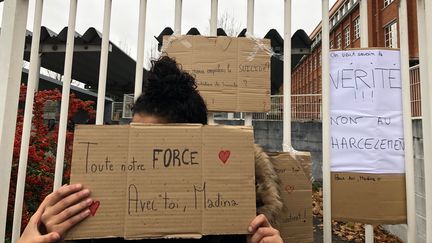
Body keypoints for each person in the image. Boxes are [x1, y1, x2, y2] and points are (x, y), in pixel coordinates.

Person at [18, 56, 283, 243]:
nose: (142, 161)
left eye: (154, 147)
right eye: (136, 140)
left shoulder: (239, 223)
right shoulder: (94, 213)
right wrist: (46, 235)